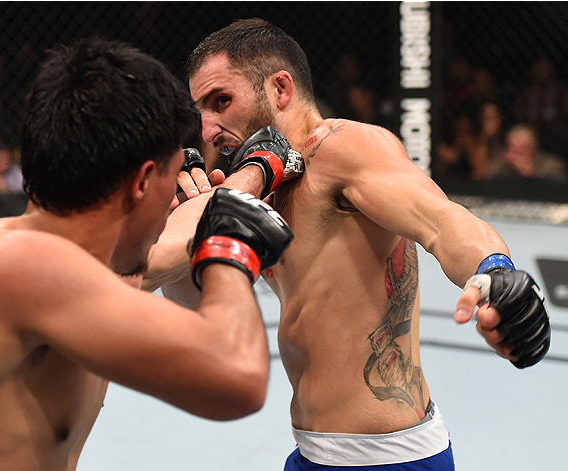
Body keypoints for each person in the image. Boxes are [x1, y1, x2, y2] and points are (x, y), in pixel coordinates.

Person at [0, 35, 295, 471]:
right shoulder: (10, 266)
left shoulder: (73, 270)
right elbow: (237, 378)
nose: (176, 195)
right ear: (143, 182)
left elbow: (174, 242)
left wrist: (253, 175)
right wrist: (231, 242)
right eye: (173, 180)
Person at [159, 18, 551, 470]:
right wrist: (186, 231)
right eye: (201, 111)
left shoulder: (343, 149)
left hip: (388, 459)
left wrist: (495, 270)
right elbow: (199, 313)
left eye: (220, 102)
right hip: (312, 453)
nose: (207, 130)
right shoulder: (260, 185)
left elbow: (441, 221)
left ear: (280, 88)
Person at [488, 123, 567, 182]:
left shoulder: (552, 166)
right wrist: (504, 163)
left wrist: (528, 173)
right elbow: (489, 177)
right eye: (512, 147)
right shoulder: (503, 164)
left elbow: (556, 193)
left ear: (533, 149)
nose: (515, 153)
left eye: (521, 149)